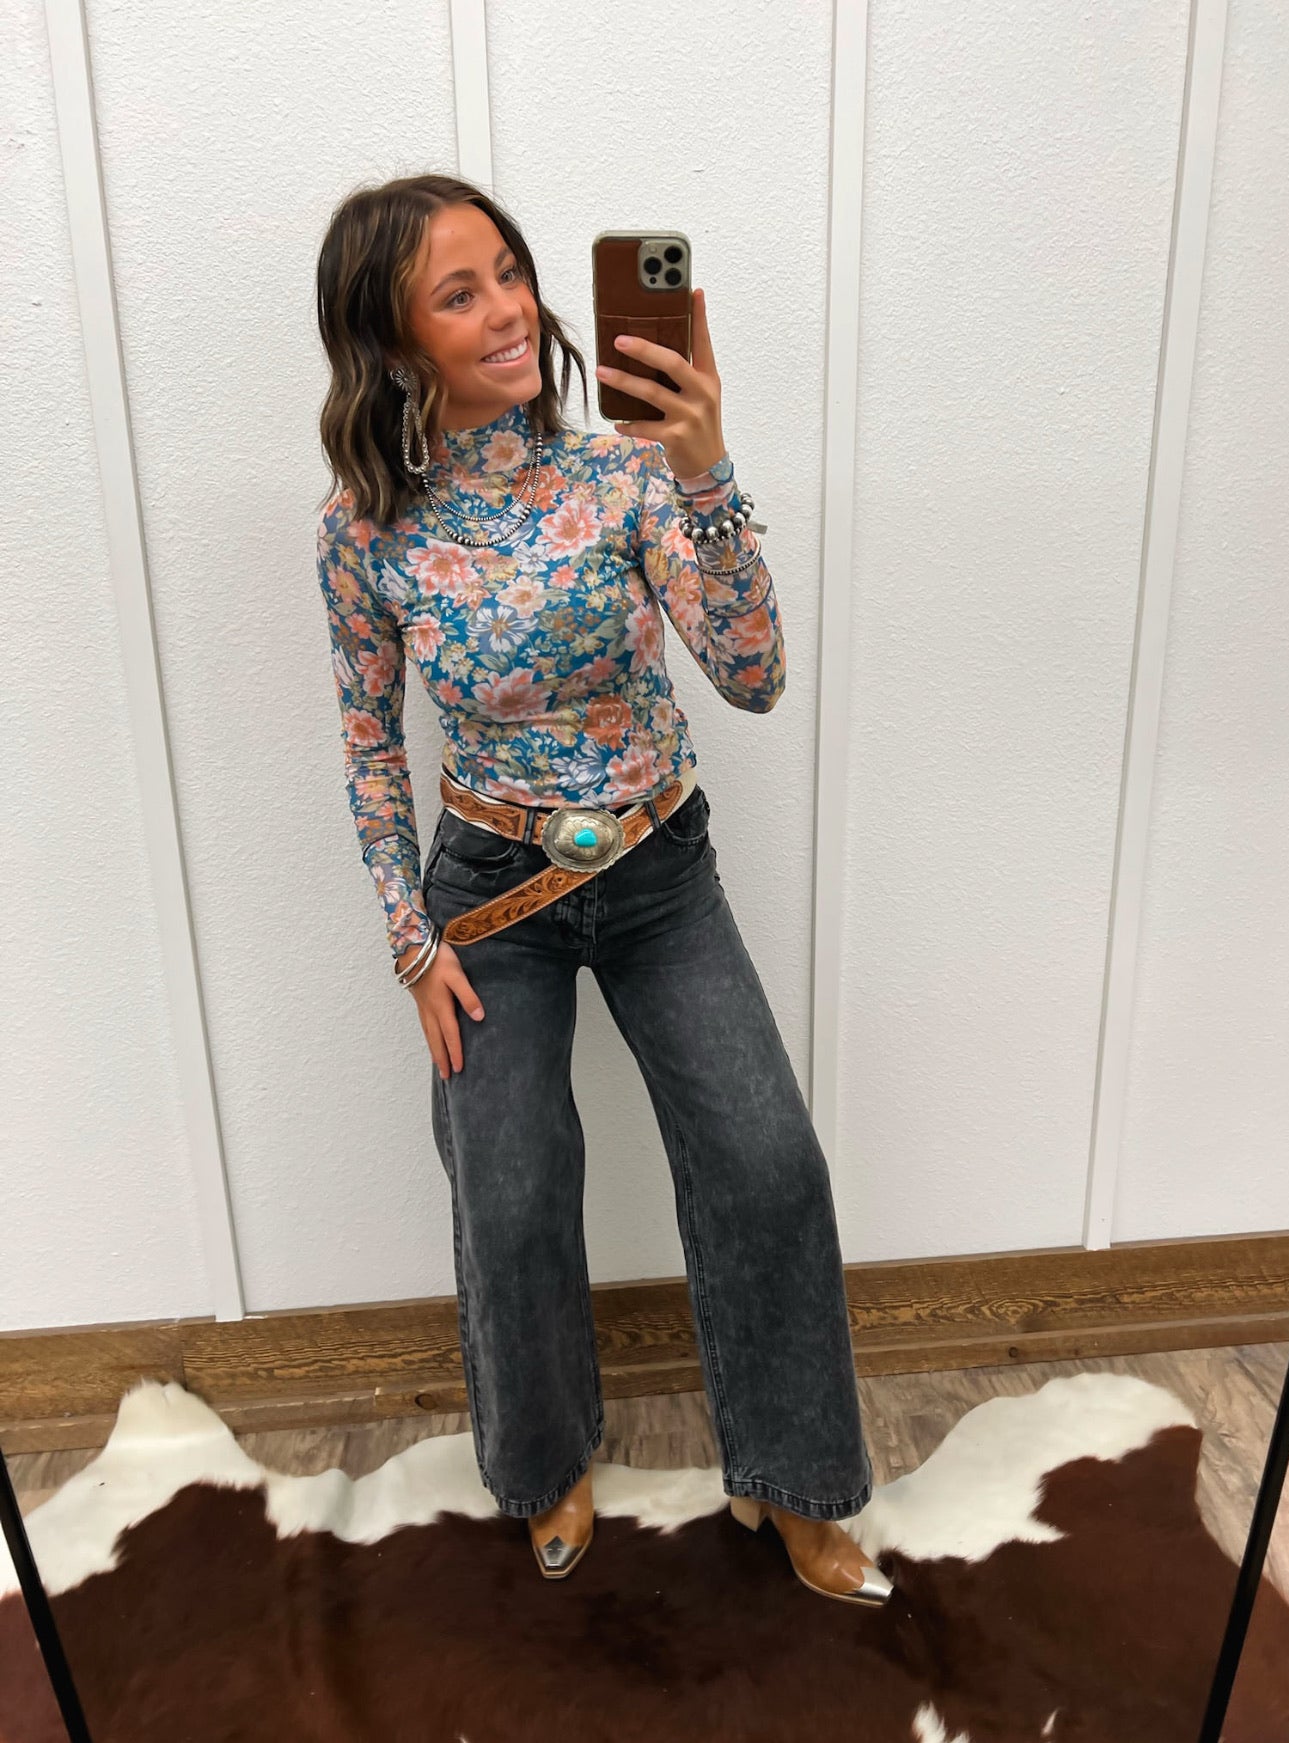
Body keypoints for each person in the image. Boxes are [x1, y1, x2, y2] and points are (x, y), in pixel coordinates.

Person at [313, 172, 891, 1607]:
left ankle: (792, 1479)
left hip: (657, 870)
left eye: (510, 272)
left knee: (767, 1163)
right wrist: (410, 942)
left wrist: (705, 470)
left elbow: (753, 679)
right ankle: (546, 1462)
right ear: (392, 344)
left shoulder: (625, 474)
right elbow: (370, 742)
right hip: (489, 896)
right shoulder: (364, 530)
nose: (510, 309)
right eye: (460, 293)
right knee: (509, 1190)